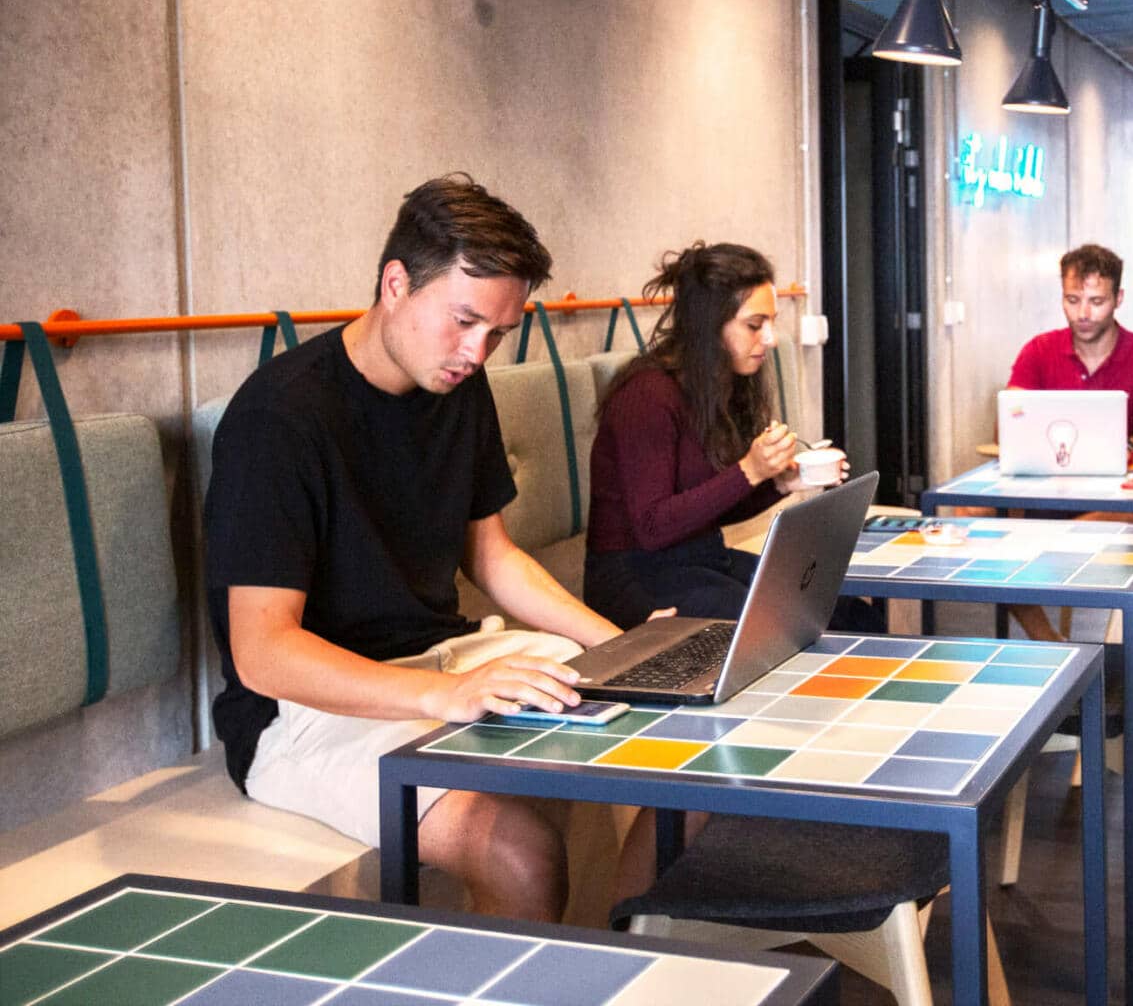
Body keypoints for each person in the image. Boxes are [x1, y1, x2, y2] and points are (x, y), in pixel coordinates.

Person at [204, 174, 662, 923]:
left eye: (499, 333)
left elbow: (492, 557)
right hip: (307, 712)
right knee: (518, 850)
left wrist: (623, 647)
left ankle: (623, 949)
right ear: (395, 283)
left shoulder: (457, 385)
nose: (477, 352)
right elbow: (263, 652)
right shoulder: (280, 420)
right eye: (463, 321)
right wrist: (442, 697)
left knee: (670, 723)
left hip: (441, 661)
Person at [585, 242, 883, 632]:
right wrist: (748, 470)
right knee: (788, 625)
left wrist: (777, 482)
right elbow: (654, 526)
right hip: (636, 577)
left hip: (700, 560)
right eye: (754, 325)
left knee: (851, 614)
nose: (771, 339)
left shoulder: (715, 388)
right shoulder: (647, 395)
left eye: (770, 323)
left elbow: (710, 509)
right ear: (709, 324)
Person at [1001, 242, 1133, 640]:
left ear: (1118, 299)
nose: (1083, 313)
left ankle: (1050, 551)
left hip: (1124, 498)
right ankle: (1048, 641)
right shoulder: (1039, 350)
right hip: (1051, 492)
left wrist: (1129, 448)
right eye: (1073, 299)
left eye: (1096, 301)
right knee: (971, 520)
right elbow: (1010, 420)